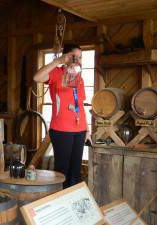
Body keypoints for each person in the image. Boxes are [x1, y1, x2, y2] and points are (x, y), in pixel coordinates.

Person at [33, 43, 91, 188]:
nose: (78, 60)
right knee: (62, 171)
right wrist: (57, 61)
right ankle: (60, 202)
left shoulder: (79, 79)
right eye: (74, 56)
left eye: (80, 57)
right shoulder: (56, 73)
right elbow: (37, 77)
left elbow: (81, 106)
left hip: (79, 130)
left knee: (75, 172)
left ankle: (72, 203)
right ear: (66, 56)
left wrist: (87, 130)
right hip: (61, 130)